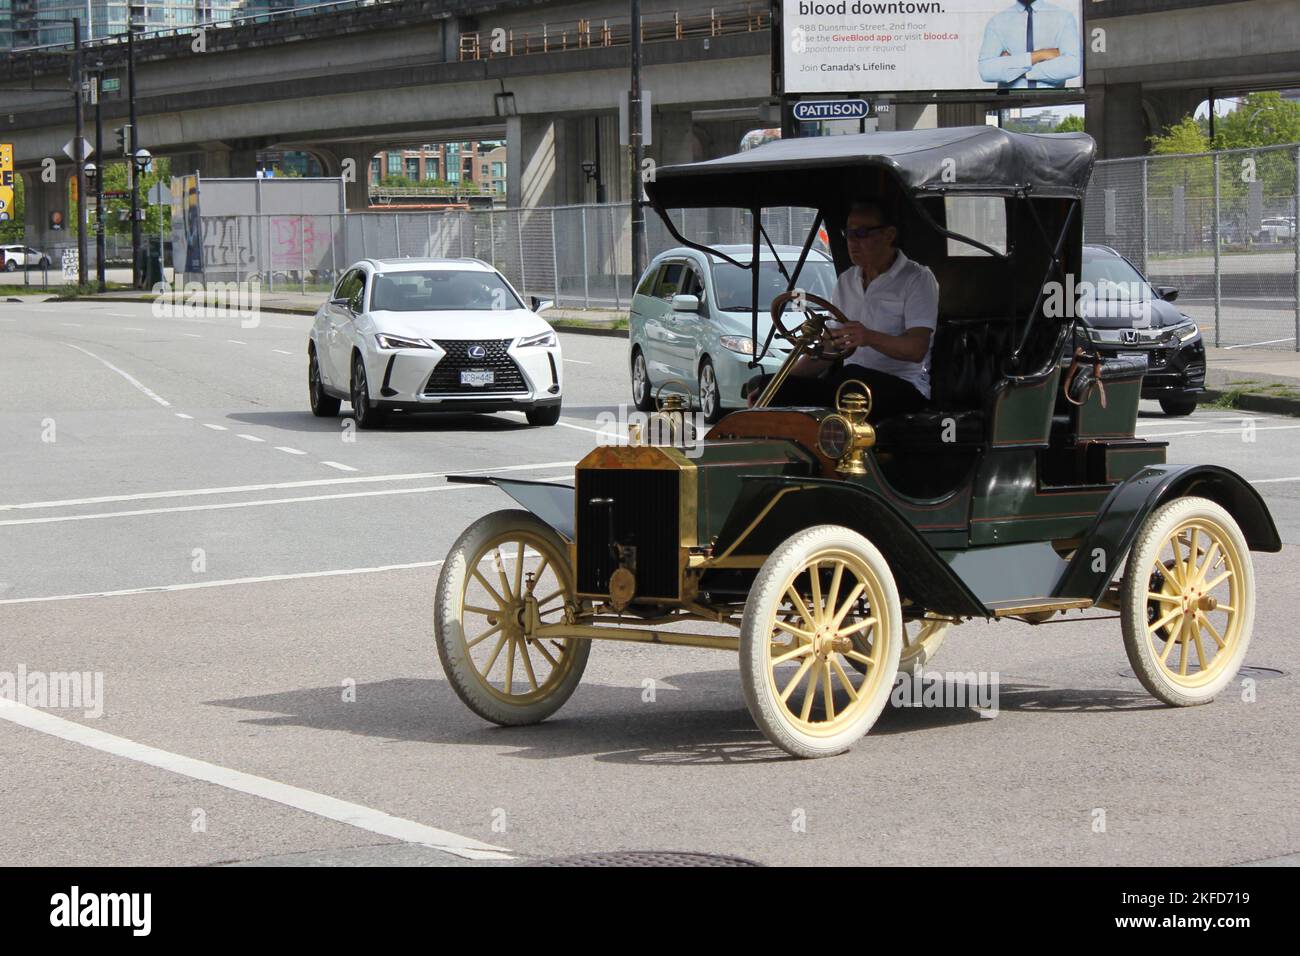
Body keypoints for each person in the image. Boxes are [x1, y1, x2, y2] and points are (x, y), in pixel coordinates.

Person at [747, 200, 938, 423]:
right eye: (848, 234)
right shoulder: (846, 280)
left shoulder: (917, 278)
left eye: (862, 233)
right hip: (850, 383)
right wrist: (776, 384)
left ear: (889, 235)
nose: (852, 242)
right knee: (766, 386)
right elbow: (829, 350)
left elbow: (917, 349)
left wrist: (868, 337)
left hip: (903, 386)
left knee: (850, 379)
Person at [977, 0, 1081, 90]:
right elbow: (986, 71)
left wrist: (1012, 69)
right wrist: (1040, 55)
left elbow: (1072, 66)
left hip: (1052, 100)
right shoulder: (997, 21)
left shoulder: (1064, 17)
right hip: (1010, 102)